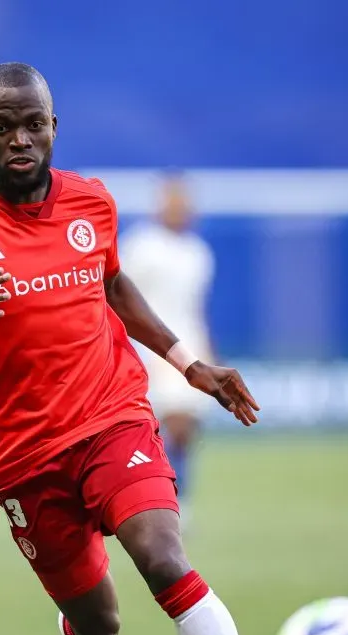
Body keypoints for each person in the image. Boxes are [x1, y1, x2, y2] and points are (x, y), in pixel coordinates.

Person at [0, 63, 259, 635]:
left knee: (164, 559)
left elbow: (113, 283)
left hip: (113, 417)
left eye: (31, 125)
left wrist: (187, 364)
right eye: (2, 128)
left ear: (53, 127)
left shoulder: (92, 202)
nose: (19, 140)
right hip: (26, 456)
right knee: (100, 624)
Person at [120, 175, 217, 522]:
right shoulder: (141, 246)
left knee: (185, 427)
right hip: (150, 345)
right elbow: (120, 296)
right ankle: (155, 500)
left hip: (189, 343)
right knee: (161, 425)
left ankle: (179, 500)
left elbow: (196, 310)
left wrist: (209, 352)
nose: (180, 210)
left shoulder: (198, 253)